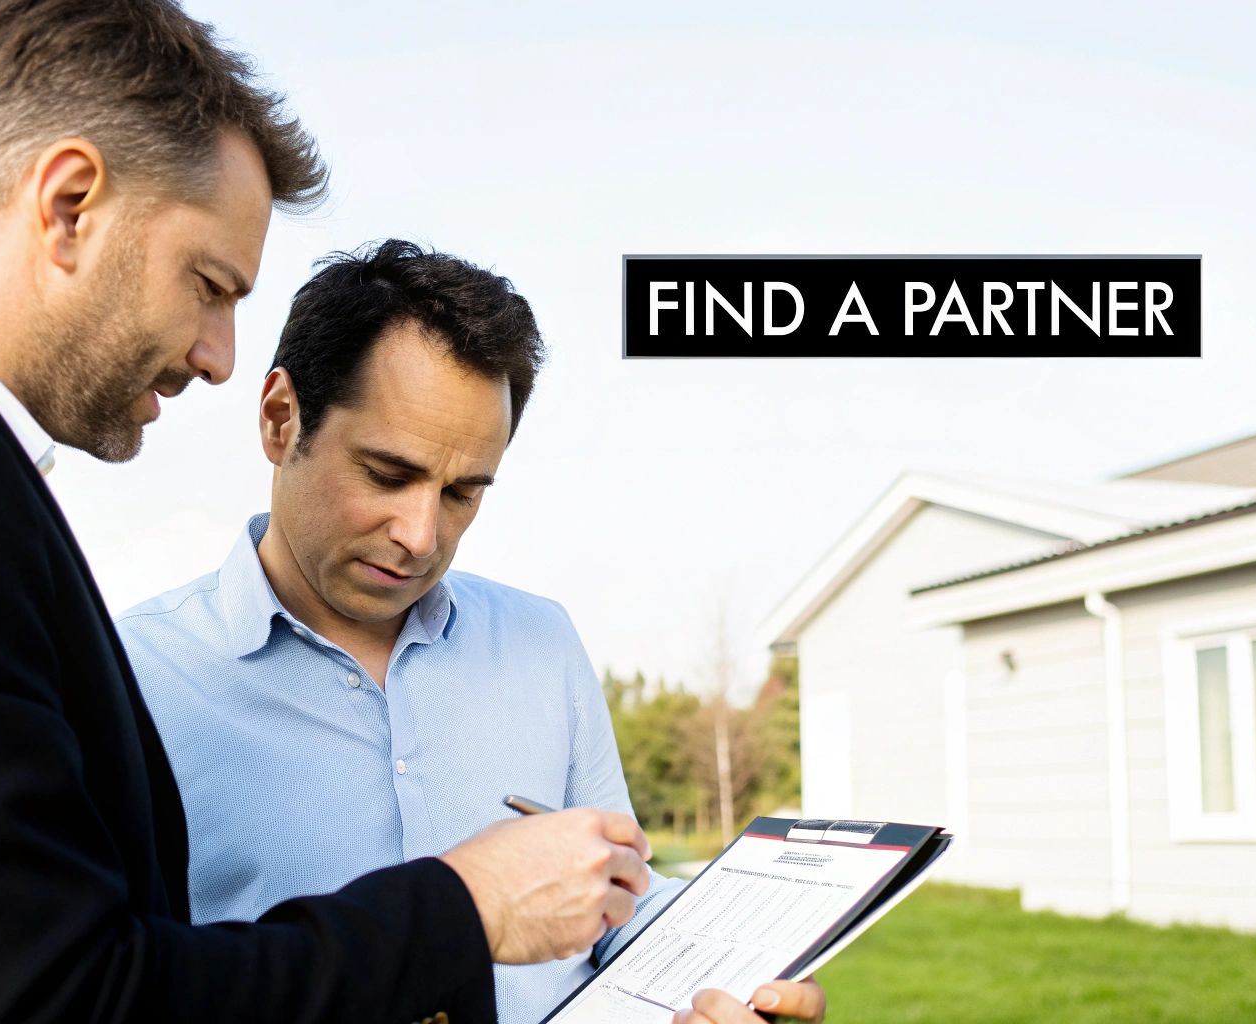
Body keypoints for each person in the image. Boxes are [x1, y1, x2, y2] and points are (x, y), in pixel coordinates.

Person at [0, 3, 650, 1021]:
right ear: (70, 203)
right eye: (208, 285)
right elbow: (38, 1000)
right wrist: (460, 906)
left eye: (463, 490)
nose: (217, 354)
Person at [116, 240, 826, 1024]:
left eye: (462, 492)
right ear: (282, 419)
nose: (421, 534)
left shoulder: (540, 642)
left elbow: (623, 902)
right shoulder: (135, 678)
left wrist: (728, 988)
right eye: (388, 475)